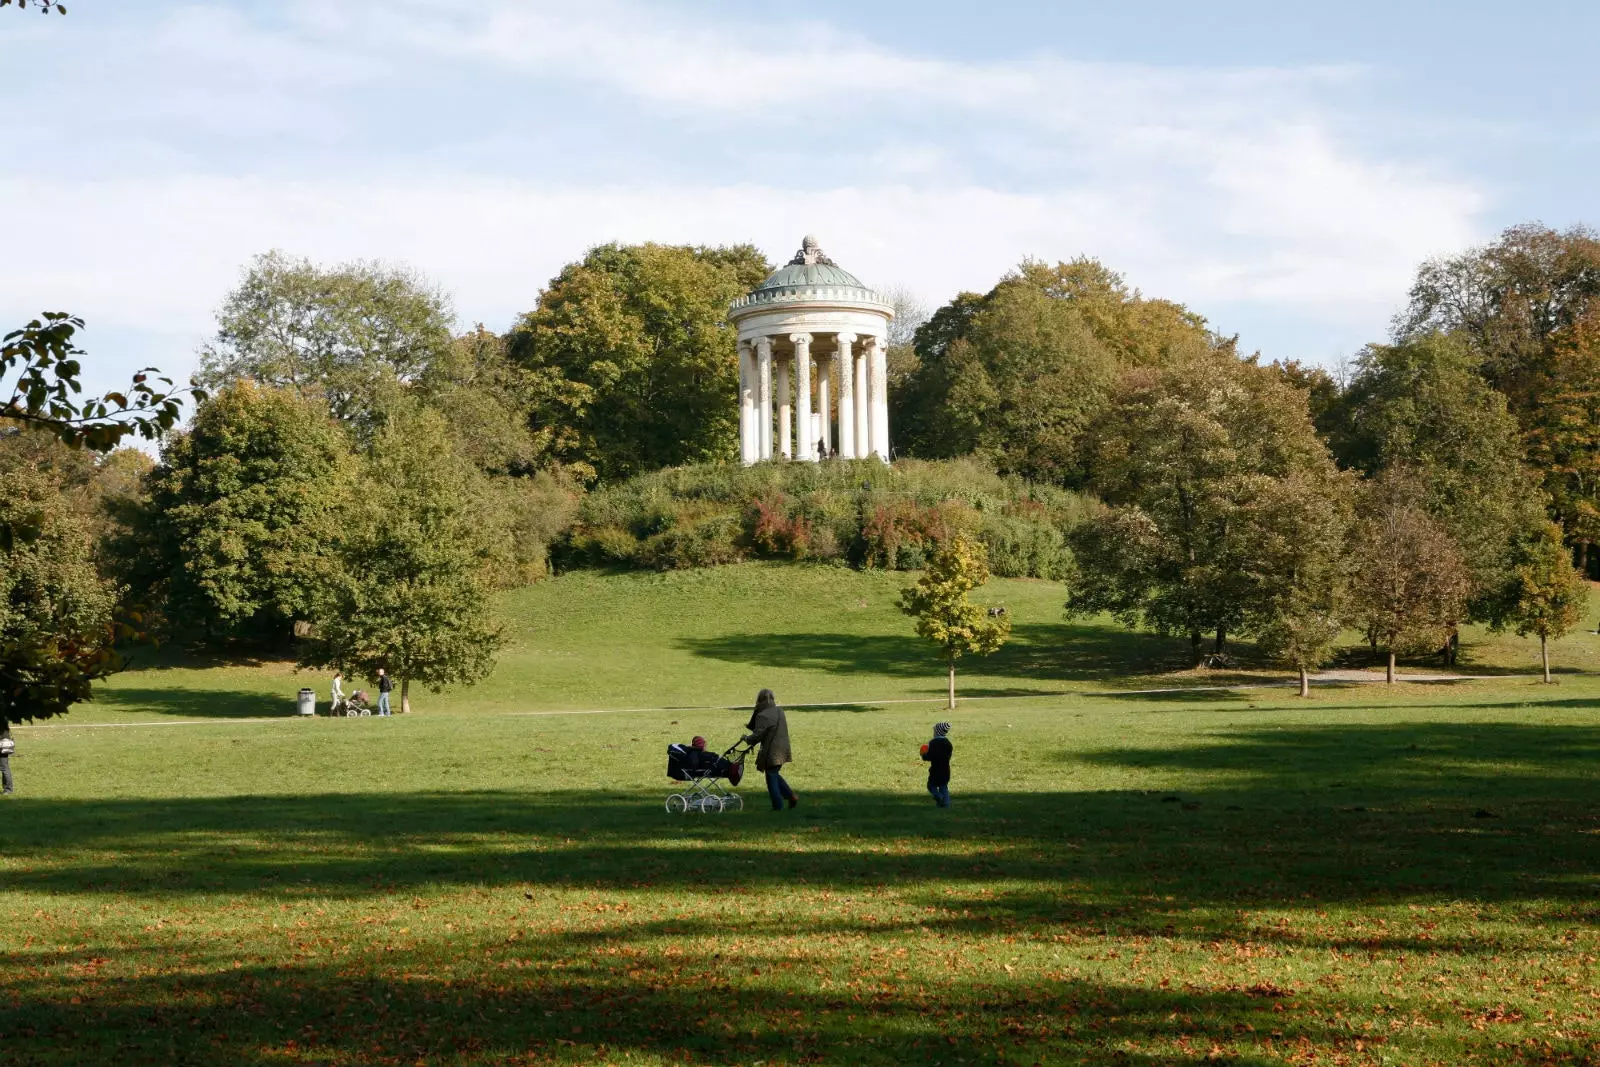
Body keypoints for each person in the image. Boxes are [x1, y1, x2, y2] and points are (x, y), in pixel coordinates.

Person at [743, 688, 796, 810]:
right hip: (783, 748)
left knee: (771, 776)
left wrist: (746, 739)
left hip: (772, 750)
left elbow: (757, 735)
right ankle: (791, 796)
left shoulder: (762, 715)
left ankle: (778, 806)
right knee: (774, 773)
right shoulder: (779, 711)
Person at [920, 721, 953, 807]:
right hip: (946, 770)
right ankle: (946, 805)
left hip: (936, 770)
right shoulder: (948, 743)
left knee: (931, 786)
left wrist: (924, 755)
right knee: (944, 787)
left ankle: (939, 796)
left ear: (937, 731)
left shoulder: (933, 743)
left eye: (934, 730)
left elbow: (931, 756)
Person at [0, 729, 13, 795]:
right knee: (4, 767)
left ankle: (8, 789)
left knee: (4, 768)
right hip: (5, 745)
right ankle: (8, 789)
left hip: (2, 745)